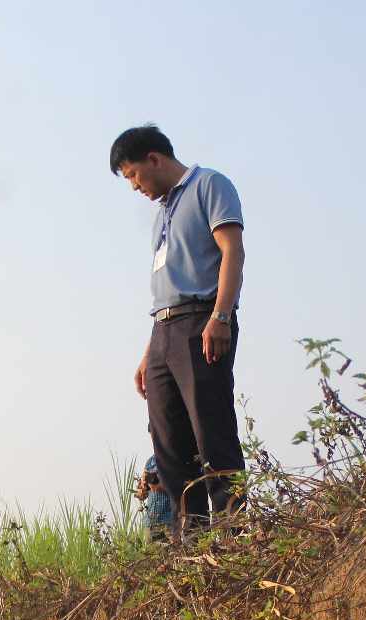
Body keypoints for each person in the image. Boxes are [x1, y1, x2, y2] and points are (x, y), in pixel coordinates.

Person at [110, 124, 245, 535]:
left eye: (133, 175)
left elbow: (232, 252)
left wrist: (220, 317)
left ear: (154, 159)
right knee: (168, 441)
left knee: (211, 430)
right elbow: (165, 289)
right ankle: (190, 540)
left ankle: (233, 536)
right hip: (163, 331)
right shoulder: (162, 213)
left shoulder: (209, 185)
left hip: (202, 321)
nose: (134, 186)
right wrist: (149, 353)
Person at [135, 454, 176, 539]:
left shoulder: (175, 458)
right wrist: (142, 490)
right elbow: (144, 487)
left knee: (174, 550)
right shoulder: (150, 461)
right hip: (151, 522)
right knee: (153, 551)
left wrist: (158, 486)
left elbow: (179, 484)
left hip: (170, 522)